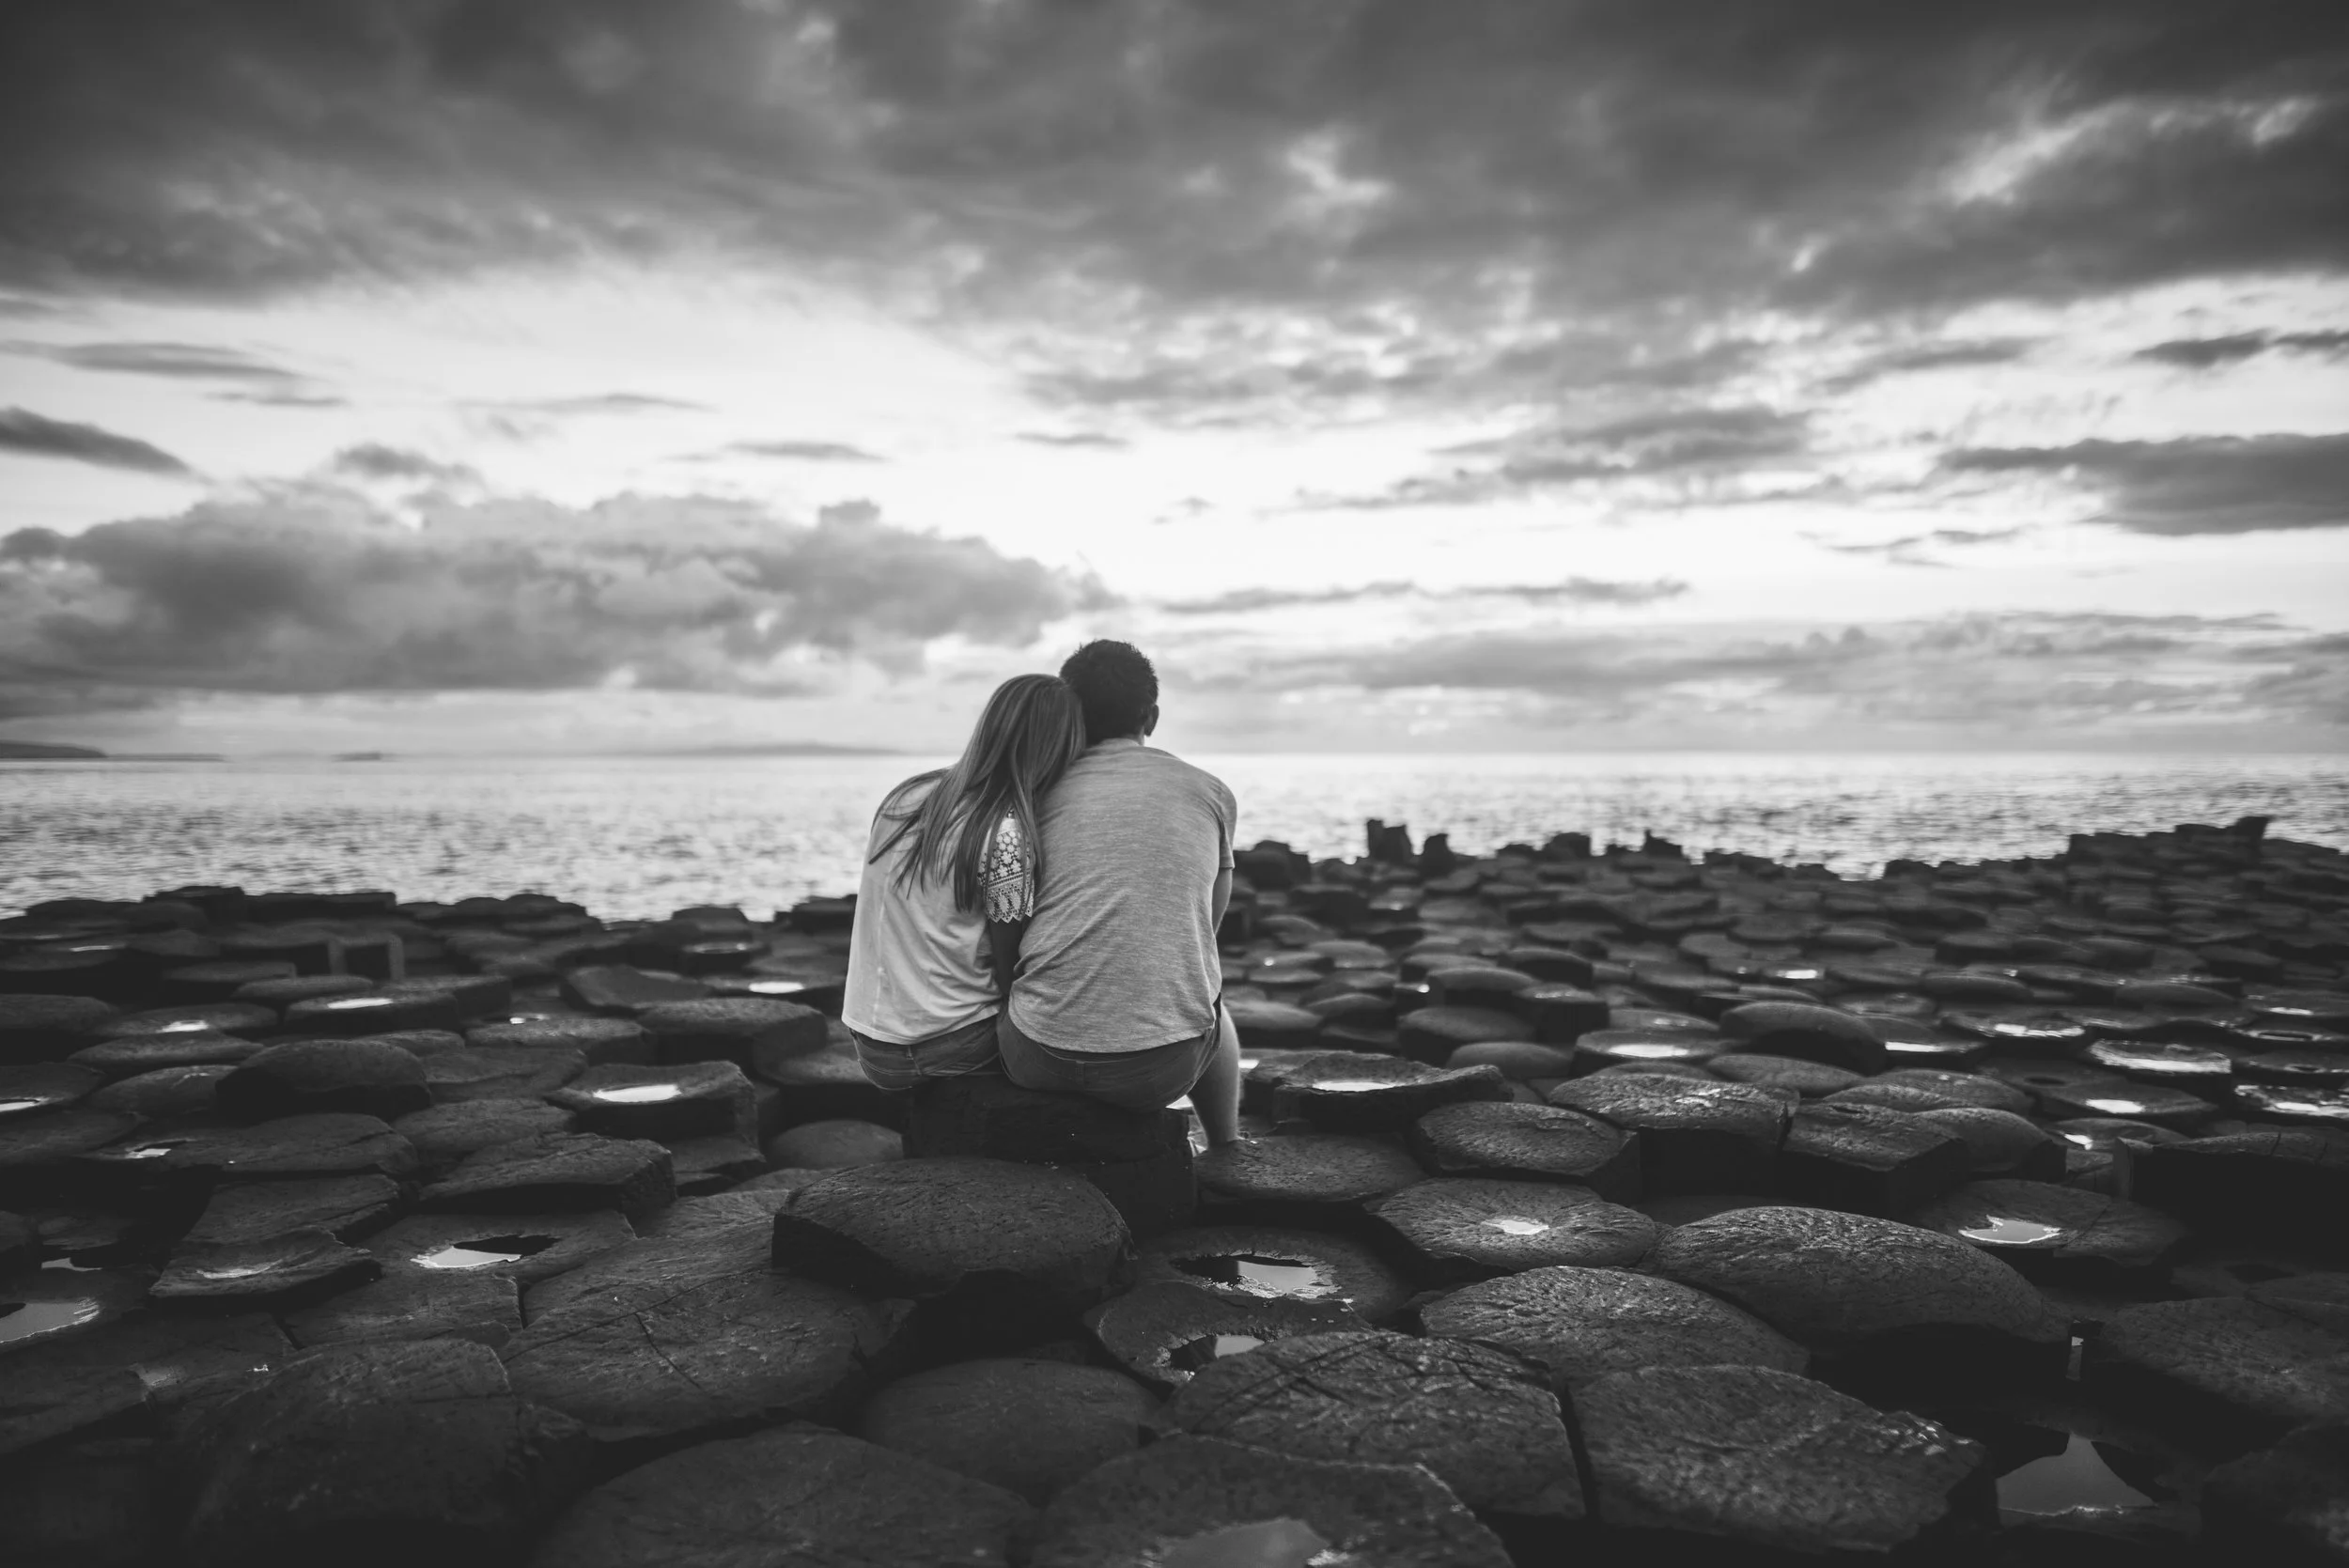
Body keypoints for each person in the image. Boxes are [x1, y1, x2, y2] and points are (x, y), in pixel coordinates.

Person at [997, 639, 1245, 1145]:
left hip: (1037, 1056)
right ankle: (1226, 1144)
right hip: (1161, 1070)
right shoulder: (1210, 791)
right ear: (1150, 717)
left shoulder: (1032, 791)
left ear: (1068, 713)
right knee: (1211, 996)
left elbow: (1008, 920)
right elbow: (1206, 930)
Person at [842, 673, 1086, 1089]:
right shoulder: (1007, 833)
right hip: (947, 1045)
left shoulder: (906, 797)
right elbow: (1011, 975)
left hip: (871, 1042)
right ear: (1058, 749)